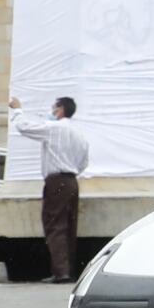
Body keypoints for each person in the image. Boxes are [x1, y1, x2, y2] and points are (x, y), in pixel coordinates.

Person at [8, 95, 91, 283]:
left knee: (54, 224)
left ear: (60, 110)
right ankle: (68, 270)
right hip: (72, 181)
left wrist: (17, 109)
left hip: (57, 181)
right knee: (69, 226)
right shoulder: (79, 133)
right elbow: (84, 162)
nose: (51, 111)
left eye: (53, 107)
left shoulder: (55, 128)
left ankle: (61, 272)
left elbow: (24, 127)